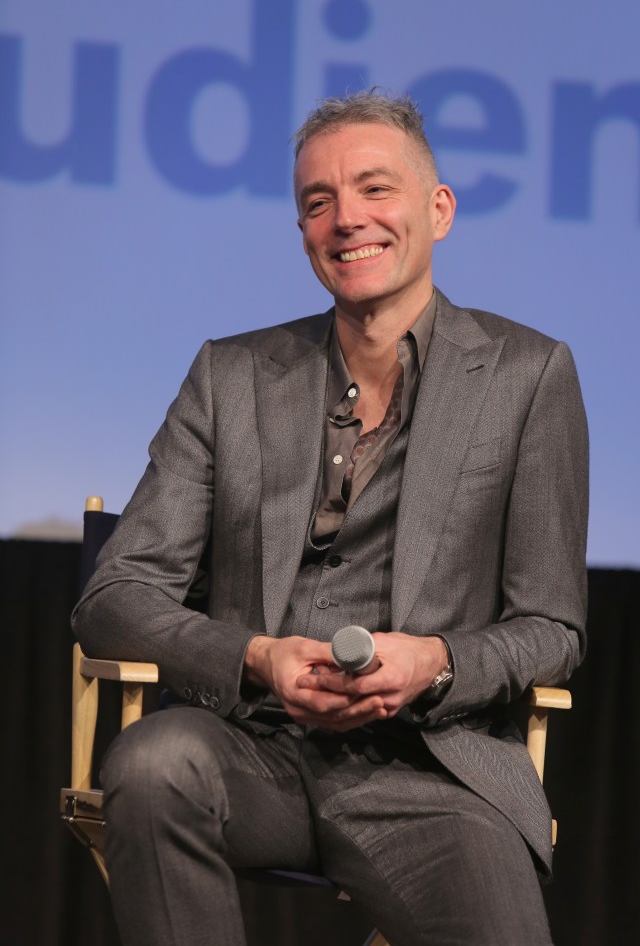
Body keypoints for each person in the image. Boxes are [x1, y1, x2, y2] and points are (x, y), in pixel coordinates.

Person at [73, 91, 588, 946]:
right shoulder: (230, 375)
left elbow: (552, 625)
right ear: (304, 230)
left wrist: (437, 661)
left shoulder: (529, 376)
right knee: (154, 762)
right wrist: (256, 656)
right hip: (252, 751)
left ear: (439, 209)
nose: (346, 219)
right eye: (318, 202)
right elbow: (116, 592)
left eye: (374, 190)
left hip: (431, 772)